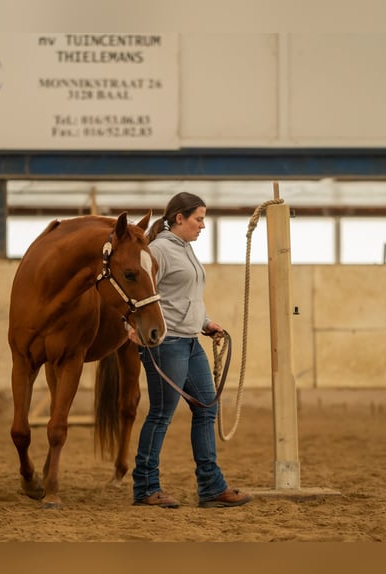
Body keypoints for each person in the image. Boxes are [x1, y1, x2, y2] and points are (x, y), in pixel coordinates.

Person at [129, 192, 254, 509]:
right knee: (160, 415)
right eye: (198, 219)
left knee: (206, 410)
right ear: (179, 218)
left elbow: (186, 297)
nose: (202, 225)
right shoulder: (157, 252)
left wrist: (206, 322)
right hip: (166, 344)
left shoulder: (185, 250)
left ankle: (211, 488)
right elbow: (134, 296)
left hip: (190, 341)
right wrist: (130, 330)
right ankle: (145, 487)